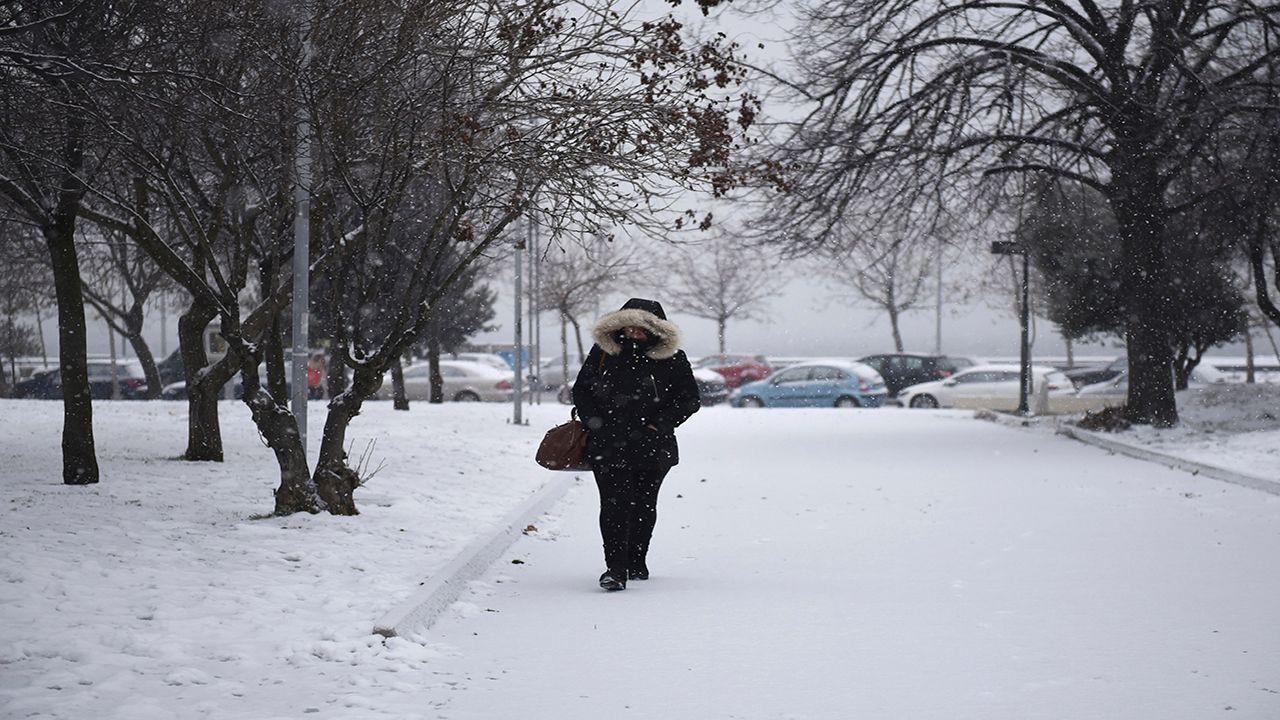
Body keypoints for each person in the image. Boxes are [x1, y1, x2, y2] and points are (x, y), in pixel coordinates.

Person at [571, 298, 701, 591]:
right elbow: (581, 390)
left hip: (653, 446)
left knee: (644, 504)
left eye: (640, 330)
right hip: (608, 445)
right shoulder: (603, 353)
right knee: (614, 505)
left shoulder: (673, 359)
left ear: (655, 331)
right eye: (627, 328)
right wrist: (595, 422)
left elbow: (690, 399)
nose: (632, 335)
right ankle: (615, 569)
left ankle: (636, 560)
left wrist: (661, 423)